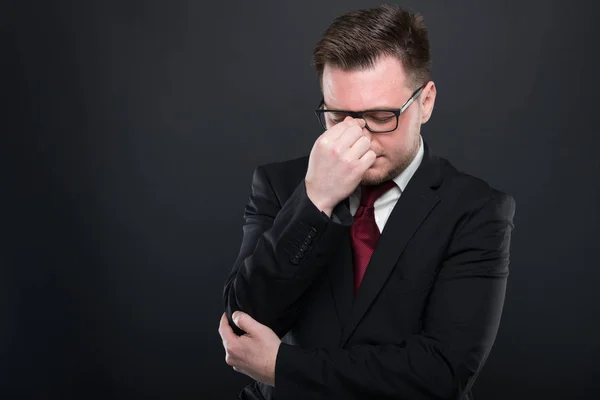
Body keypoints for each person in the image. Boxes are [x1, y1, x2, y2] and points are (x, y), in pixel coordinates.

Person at [218, 4, 516, 400]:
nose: (358, 140)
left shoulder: (477, 210)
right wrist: (315, 201)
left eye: (380, 116)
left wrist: (282, 367)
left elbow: (441, 374)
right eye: (339, 117)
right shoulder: (280, 185)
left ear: (425, 102)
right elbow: (242, 325)